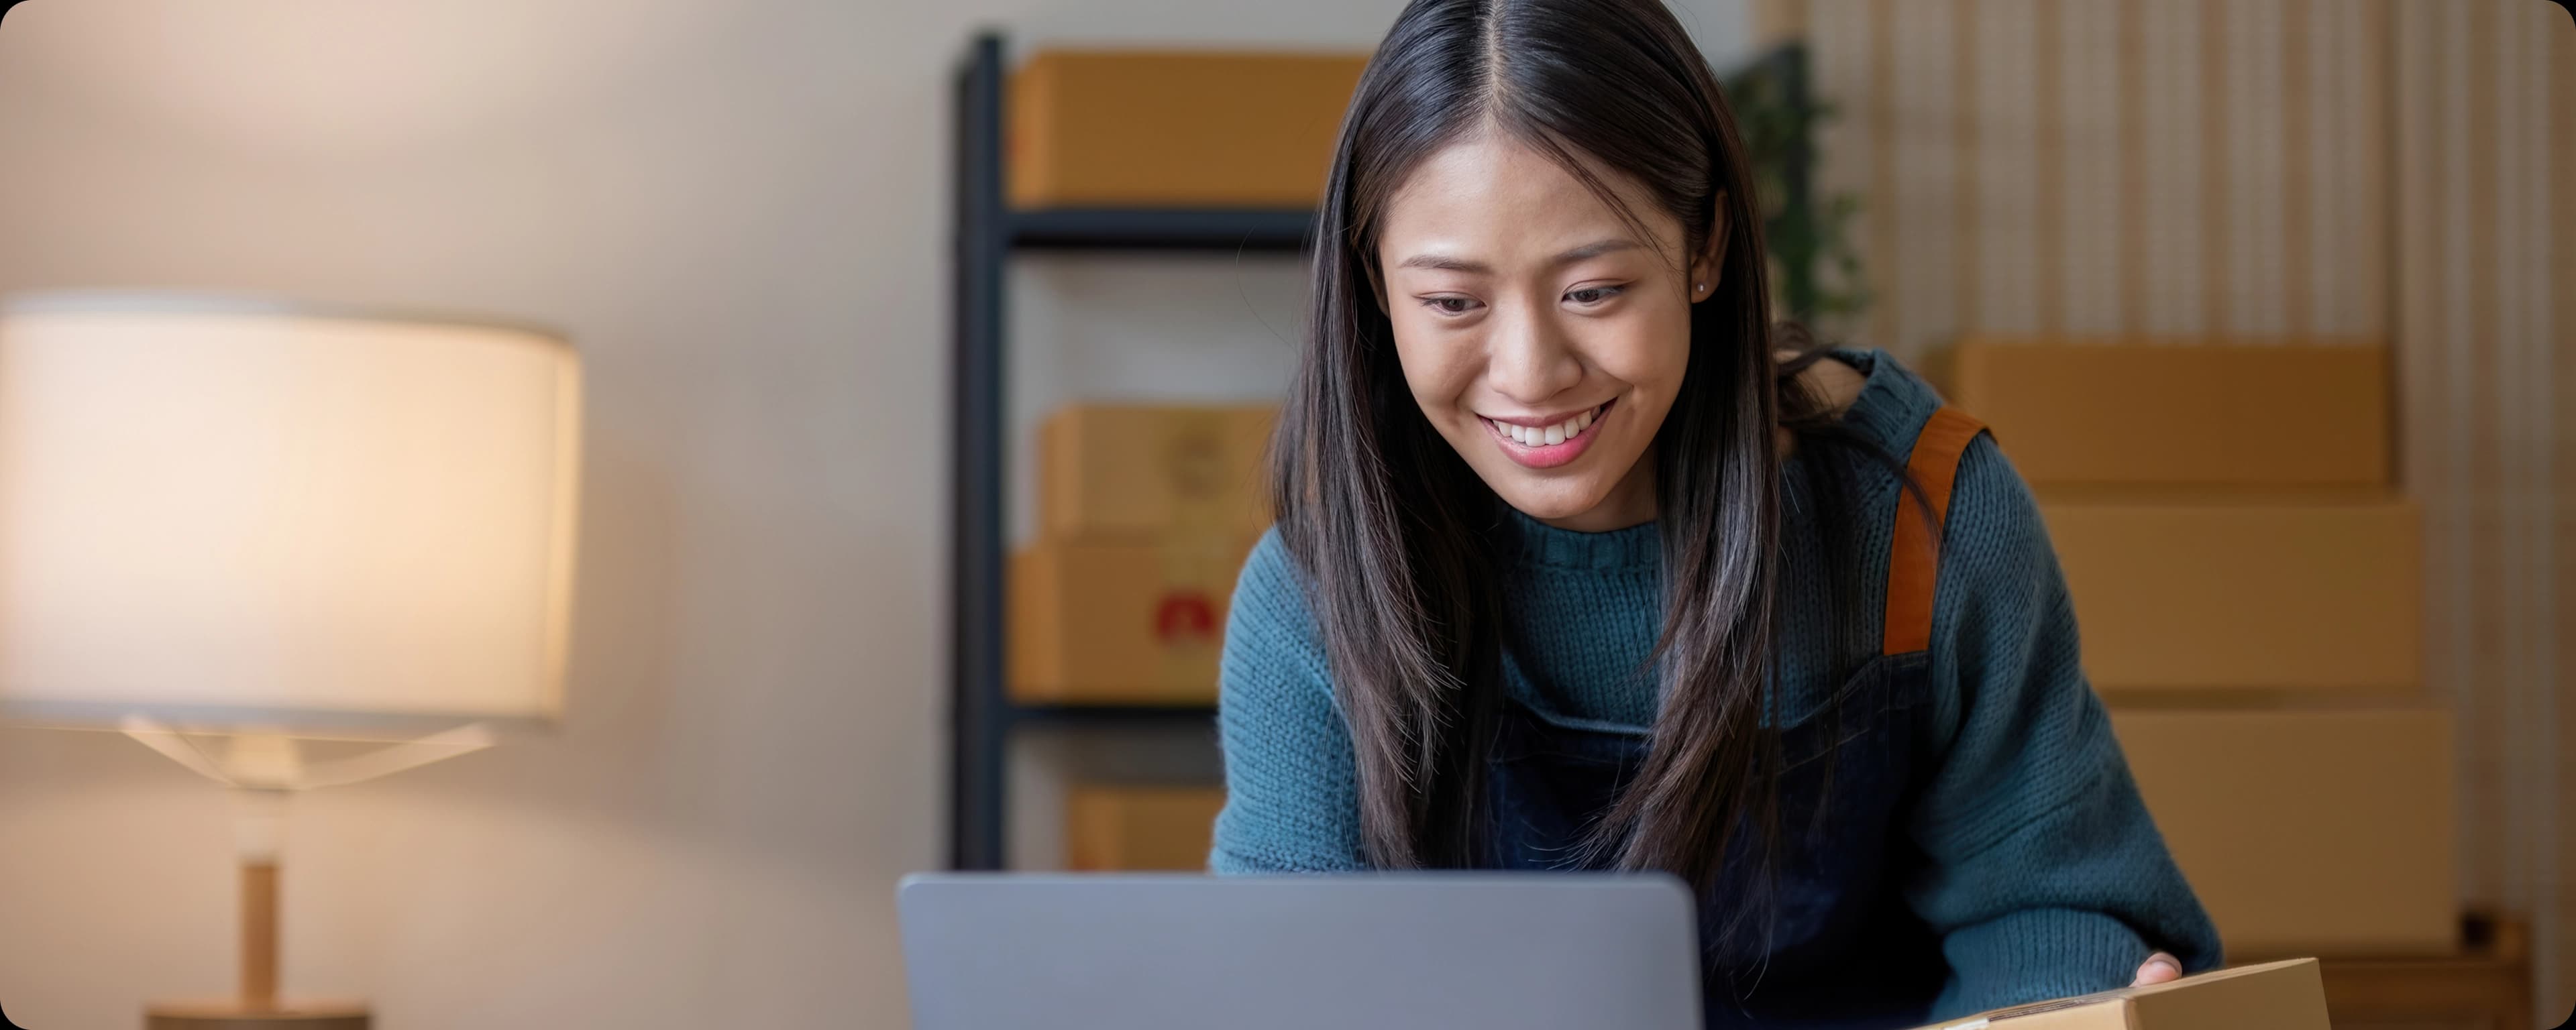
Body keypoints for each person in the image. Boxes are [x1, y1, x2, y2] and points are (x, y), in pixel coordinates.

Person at [1205, 0, 2223, 1026]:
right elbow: (1289, 982)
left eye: (1595, 291)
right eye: (1454, 303)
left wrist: (2083, 997)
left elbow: (2048, 910)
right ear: (1377, 288)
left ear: (1705, 249)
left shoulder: (1919, 524)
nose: (1530, 373)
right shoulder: (1318, 598)